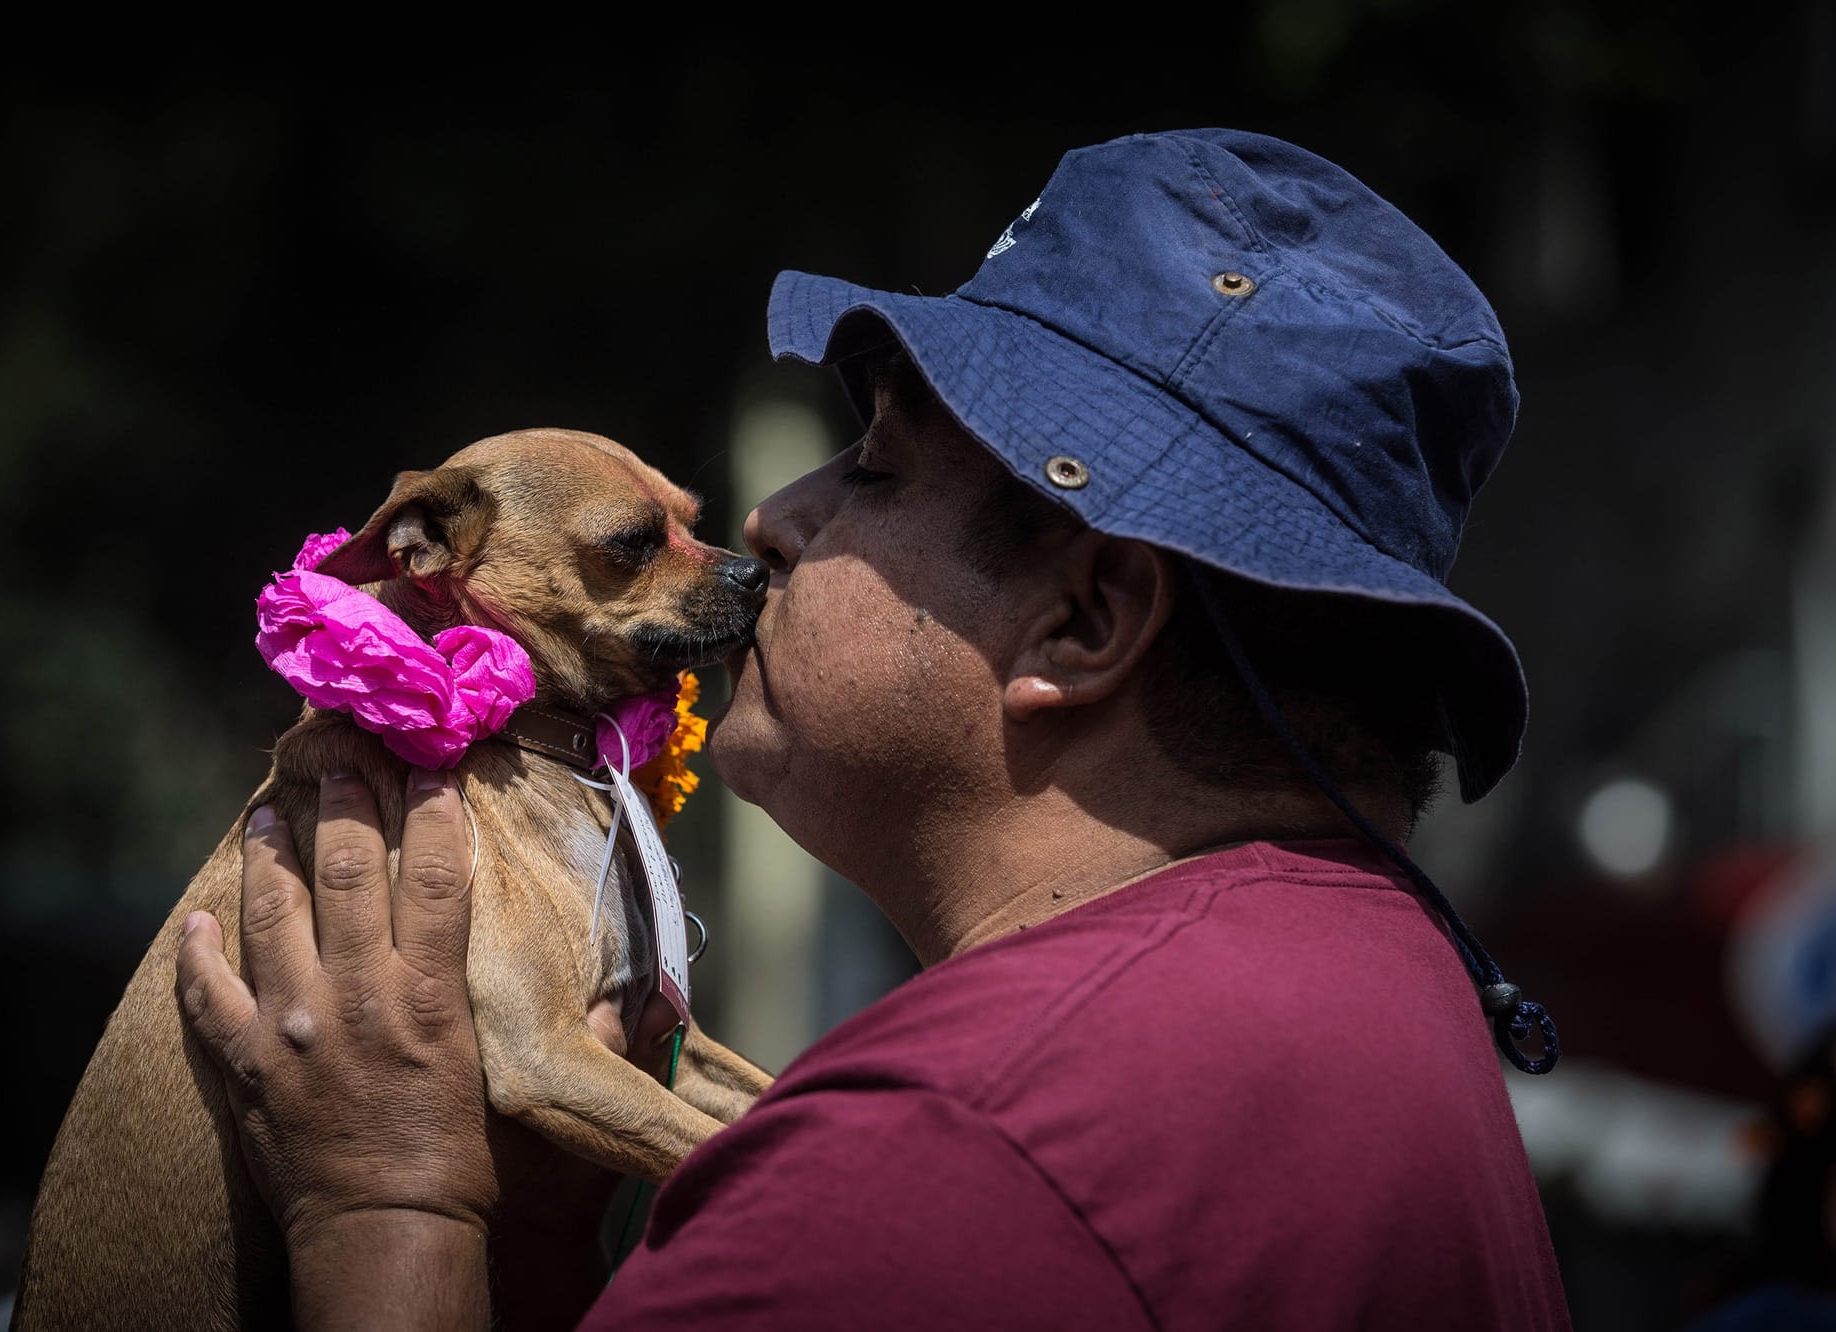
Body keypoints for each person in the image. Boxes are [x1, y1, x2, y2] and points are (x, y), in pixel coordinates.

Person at [174, 128, 1573, 1329]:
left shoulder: (943, 1165)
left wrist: (385, 1201)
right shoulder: (1372, 984)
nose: (776, 518)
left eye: (881, 466)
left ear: (1083, 625)